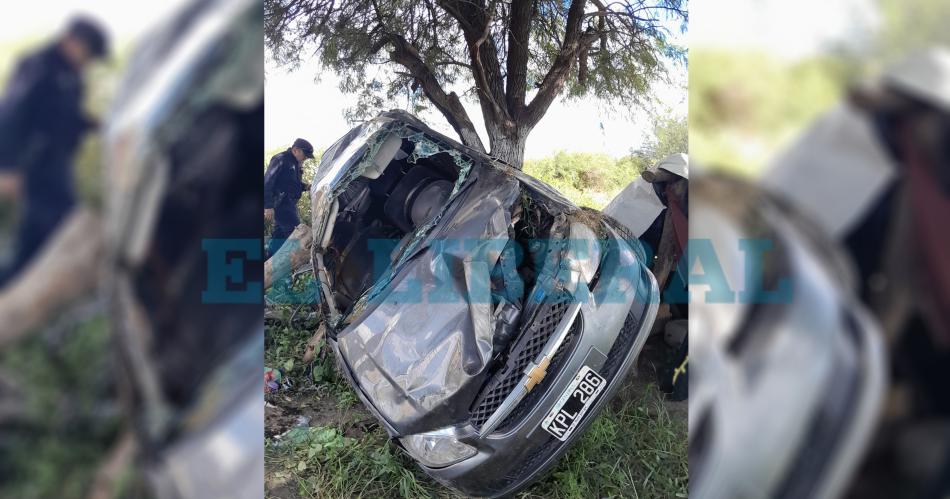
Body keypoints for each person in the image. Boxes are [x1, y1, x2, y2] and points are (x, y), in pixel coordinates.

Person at [0, 16, 109, 286]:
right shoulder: (39, 66)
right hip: (36, 165)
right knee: (61, 227)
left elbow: (62, 117)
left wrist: (95, 124)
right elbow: (12, 114)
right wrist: (8, 166)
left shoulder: (69, 73)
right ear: (71, 42)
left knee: (40, 240)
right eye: (89, 53)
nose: (90, 62)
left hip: (56, 164)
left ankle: (16, 286)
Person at [264, 137, 313, 257]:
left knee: (279, 234)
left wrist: (305, 186)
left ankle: (269, 259)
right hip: (281, 204)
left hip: (289, 203)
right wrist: (268, 206)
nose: (306, 158)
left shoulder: (296, 163)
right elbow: (267, 182)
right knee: (295, 232)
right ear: (296, 150)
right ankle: (293, 262)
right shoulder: (280, 159)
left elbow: (291, 184)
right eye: (305, 154)